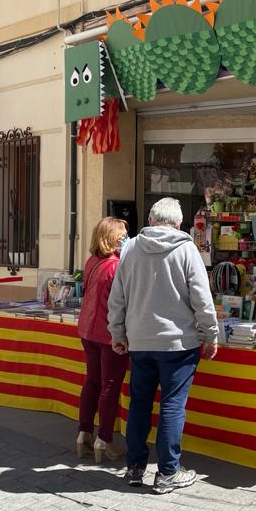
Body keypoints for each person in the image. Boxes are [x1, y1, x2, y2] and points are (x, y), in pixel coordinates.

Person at [107, 197, 217, 495]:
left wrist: (117, 332)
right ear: (178, 223)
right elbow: (202, 299)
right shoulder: (186, 249)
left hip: (140, 341)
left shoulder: (130, 249)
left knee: (140, 403)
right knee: (171, 404)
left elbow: (117, 297)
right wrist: (211, 334)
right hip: (178, 343)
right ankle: (168, 471)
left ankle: (134, 466)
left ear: (152, 219)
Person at [76, 216, 129, 463]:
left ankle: (83, 434)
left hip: (88, 329)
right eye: (122, 237)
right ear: (112, 239)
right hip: (109, 333)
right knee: (110, 386)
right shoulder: (117, 266)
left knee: (92, 382)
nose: (125, 240)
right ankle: (103, 440)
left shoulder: (91, 262)